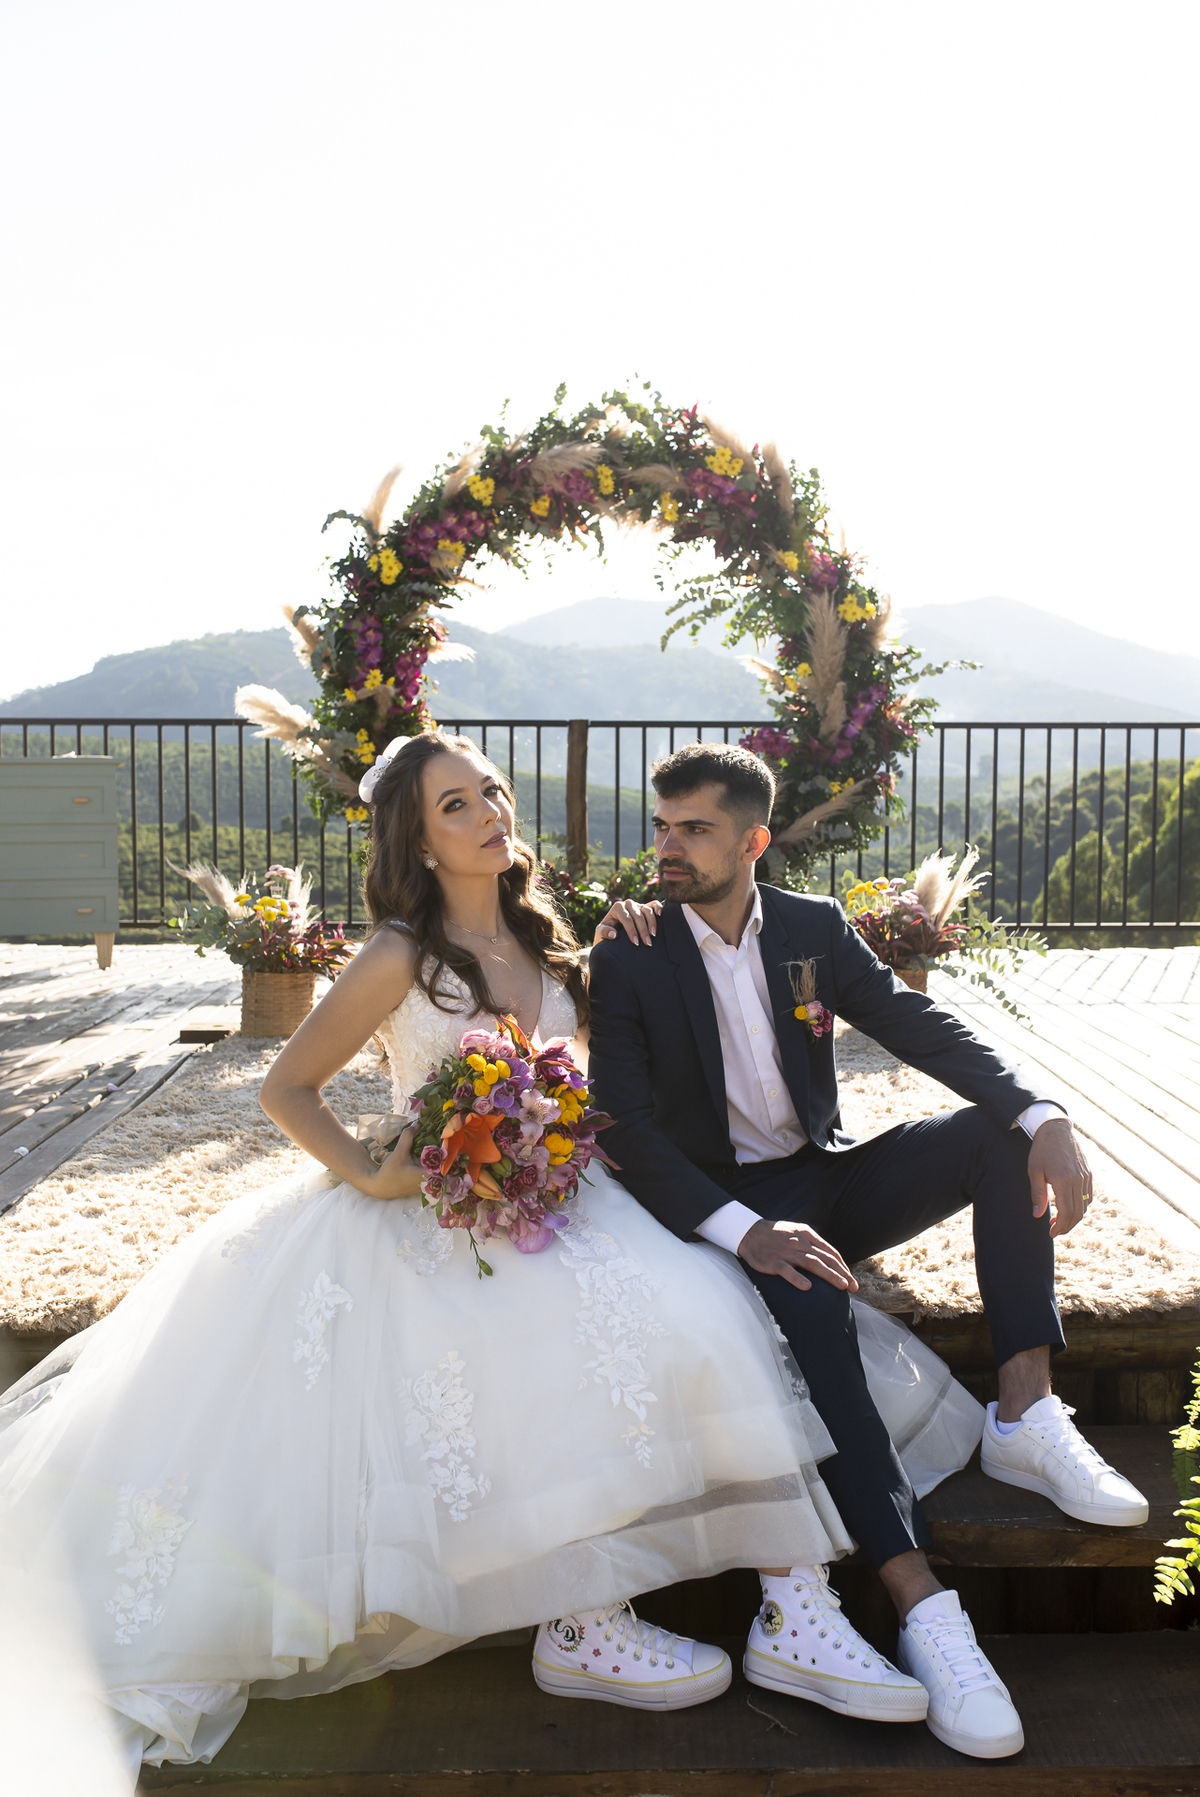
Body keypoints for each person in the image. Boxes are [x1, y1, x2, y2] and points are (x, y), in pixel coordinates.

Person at [0, 732, 981, 1781]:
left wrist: (638, 943)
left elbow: (607, 1072)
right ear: (418, 844)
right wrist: (375, 1174)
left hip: (562, 1195)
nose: (489, 814)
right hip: (435, 1214)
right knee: (527, 1342)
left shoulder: (554, 940)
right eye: (456, 805)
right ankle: (584, 1618)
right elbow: (285, 1090)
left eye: (492, 793)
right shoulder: (396, 956)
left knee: (707, 1301)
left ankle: (798, 1608)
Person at [588, 741, 1151, 1762]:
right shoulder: (627, 951)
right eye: (662, 827)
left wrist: (1043, 1111)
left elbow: (915, 1023)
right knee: (813, 1311)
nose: (666, 847)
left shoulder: (809, 927)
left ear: (753, 841)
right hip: (718, 1210)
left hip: (824, 1176)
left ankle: (1024, 1409)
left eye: (694, 830)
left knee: (993, 1136)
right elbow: (623, 1127)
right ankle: (922, 1605)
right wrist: (746, 1233)